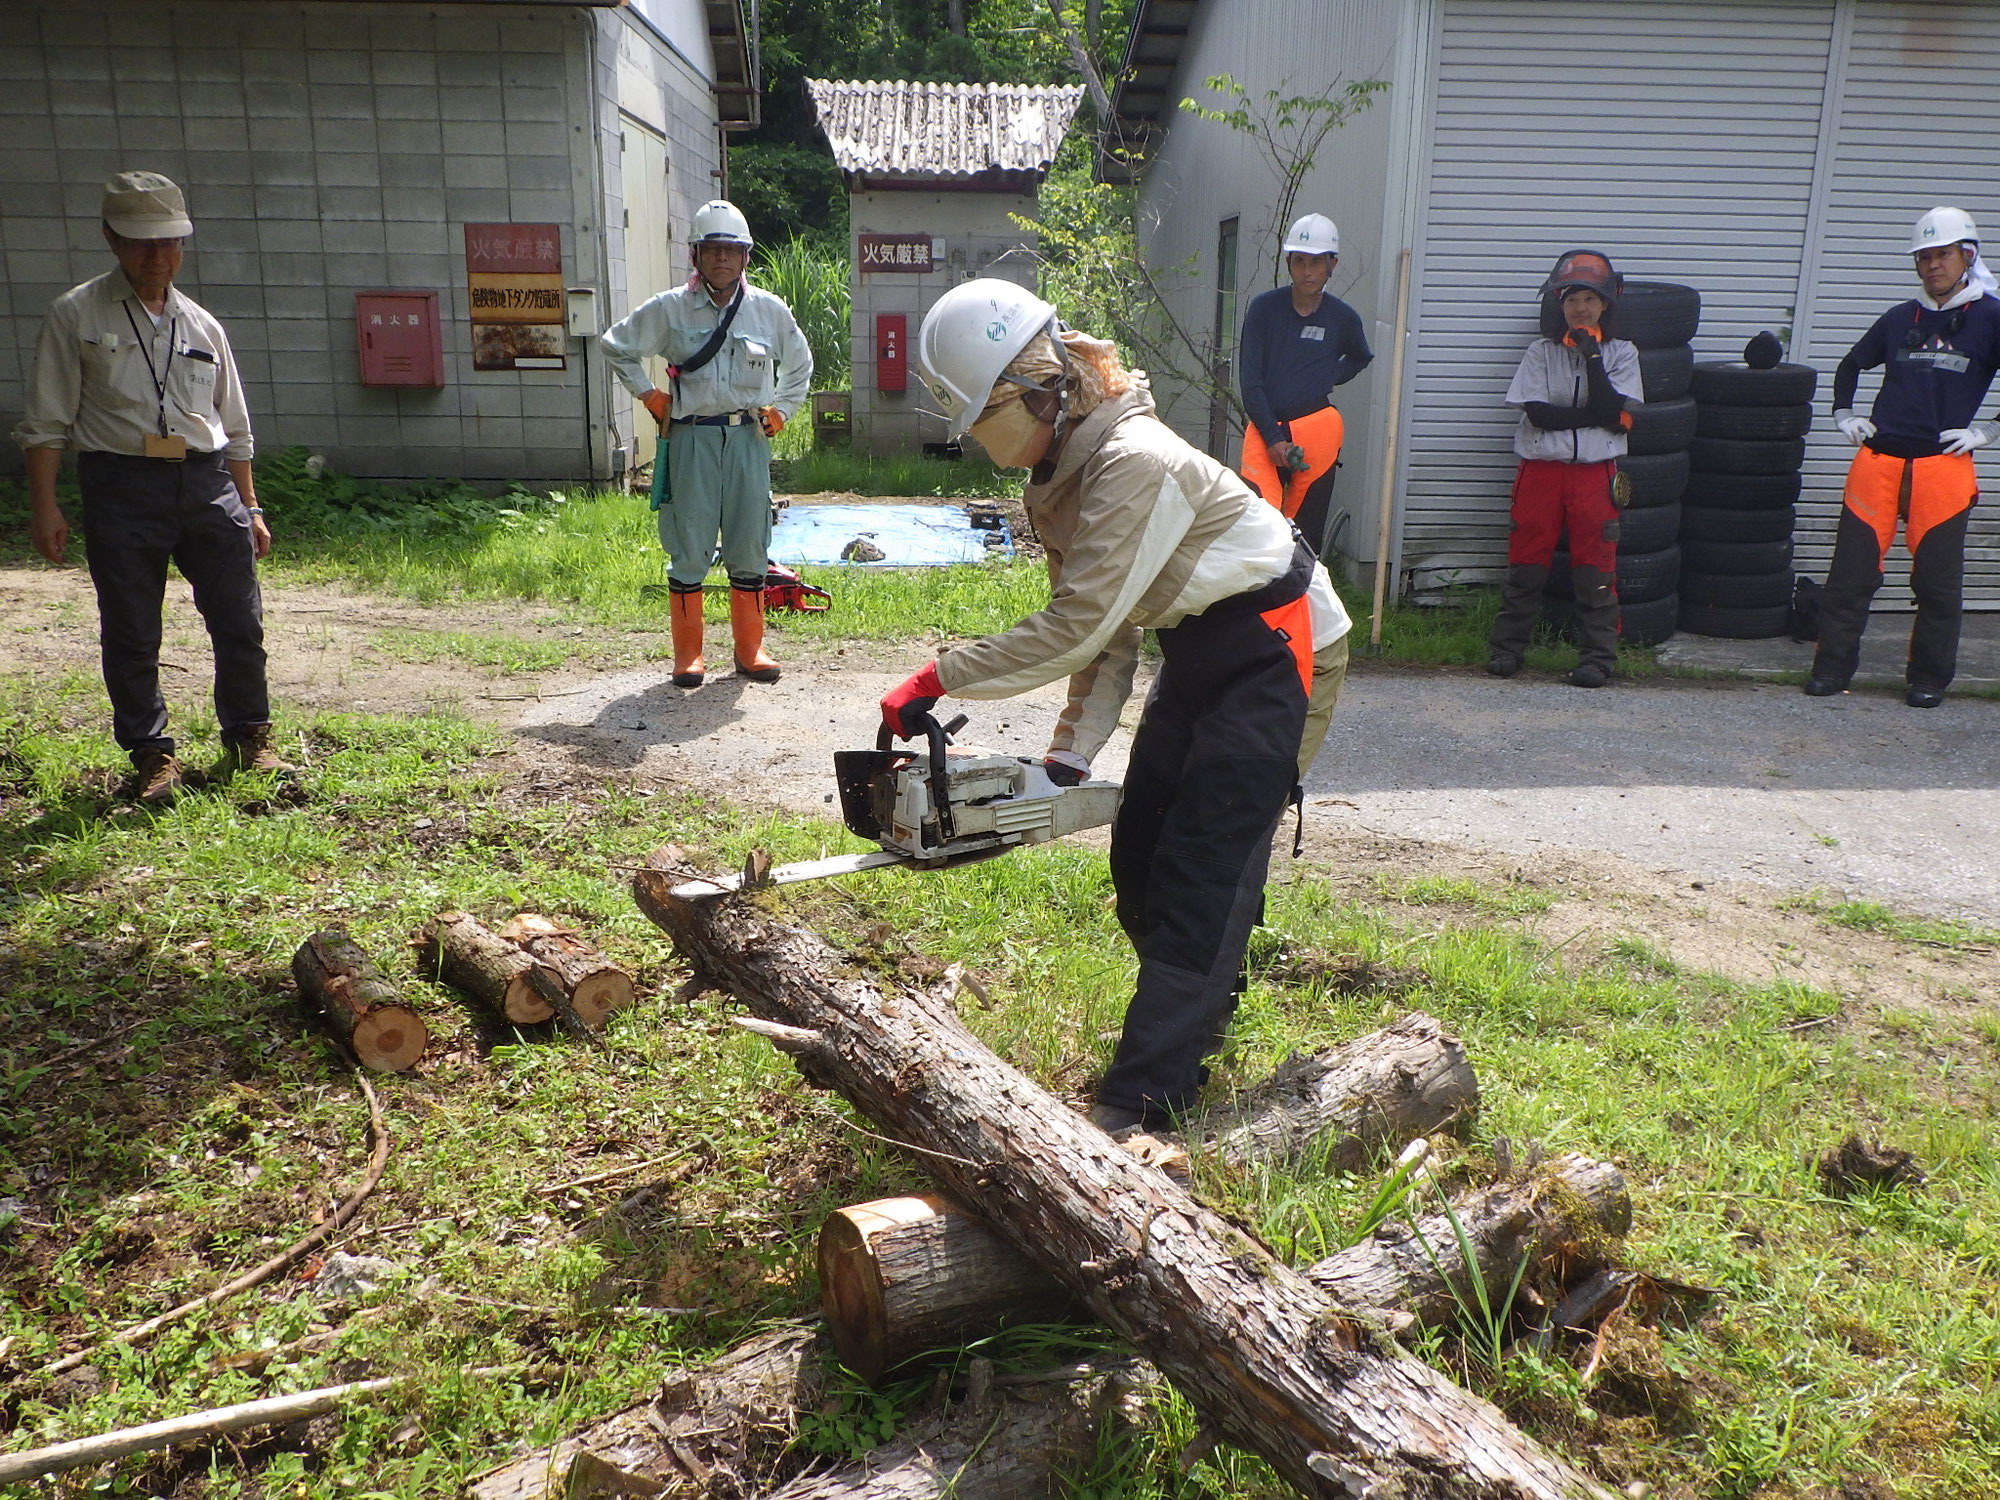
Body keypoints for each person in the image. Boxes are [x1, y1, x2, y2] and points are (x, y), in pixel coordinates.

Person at [883, 280, 1352, 1134]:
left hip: (1283, 645)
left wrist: (938, 677)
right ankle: (1200, 1007)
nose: (981, 443)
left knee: (1204, 865)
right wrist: (1071, 752)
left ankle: (1139, 1107)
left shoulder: (1132, 460)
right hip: (1205, 645)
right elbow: (1107, 635)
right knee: (1140, 854)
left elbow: (1076, 625)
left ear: (1034, 393)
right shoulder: (1060, 472)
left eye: (982, 422)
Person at [15, 171, 285, 804]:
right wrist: (46, 505)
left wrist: (249, 505)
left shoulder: (202, 325)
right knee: (132, 628)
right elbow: (46, 422)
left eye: (170, 243)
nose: (157, 257)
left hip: (206, 481)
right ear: (111, 239)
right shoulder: (75, 314)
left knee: (239, 620)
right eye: (142, 243)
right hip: (120, 483)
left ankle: (251, 736)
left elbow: (235, 427)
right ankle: (151, 754)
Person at [600, 200, 812, 687]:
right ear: (695, 255)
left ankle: (751, 649)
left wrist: (782, 409)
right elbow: (616, 344)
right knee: (689, 544)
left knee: (748, 543)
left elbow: (799, 364)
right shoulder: (669, 309)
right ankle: (688, 656)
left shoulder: (767, 310)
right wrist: (650, 395)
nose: (722, 259)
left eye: (731, 251)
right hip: (691, 437)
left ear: (746, 258)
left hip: (748, 440)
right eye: (713, 249)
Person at [1809, 206, 2000, 708]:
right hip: (1877, 464)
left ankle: (1929, 680)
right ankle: (1831, 671)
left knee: (1937, 587)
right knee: (1849, 579)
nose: (1932, 265)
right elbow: (1851, 364)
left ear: (1968, 255)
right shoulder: (1899, 318)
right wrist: (1843, 413)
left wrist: (1988, 431)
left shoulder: (1992, 318)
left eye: (1942, 255)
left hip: (1943, 470)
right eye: (1923, 257)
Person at [1486, 249, 1642, 688]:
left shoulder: (1622, 353)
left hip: (1595, 475)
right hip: (1540, 471)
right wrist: (1602, 415)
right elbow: (1540, 415)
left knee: (1596, 568)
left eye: (1589, 300)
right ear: (1559, 304)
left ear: (1605, 304)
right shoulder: (1540, 352)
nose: (1580, 308)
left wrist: (1593, 356)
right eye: (1571, 299)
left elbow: (1614, 406)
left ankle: (1597, 659)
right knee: (1526, 563)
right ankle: (1506, 649)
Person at [1236, 213, 1372, 553]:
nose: (1307, 271)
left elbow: (1360, 357)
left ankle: (1301, 599)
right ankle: (1255, 603)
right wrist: (1273, 440)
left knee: (1304, 538)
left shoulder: (1343, 319)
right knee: (1257, 531)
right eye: (1299, 261)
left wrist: (1330, 376)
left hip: (1316, 431)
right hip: (1267, 430)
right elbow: (1250, 382)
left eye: (1316, 262)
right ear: (1288, 263)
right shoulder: (1264, 310)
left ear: (1332, 265)